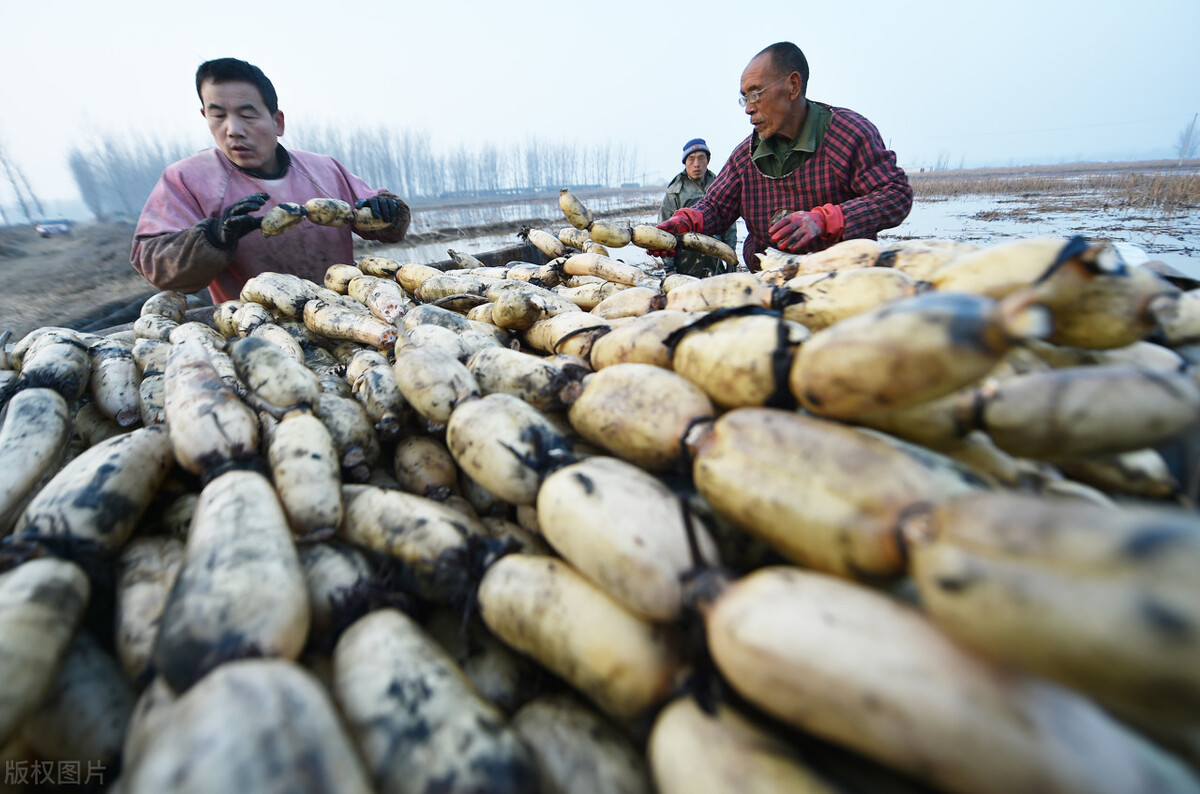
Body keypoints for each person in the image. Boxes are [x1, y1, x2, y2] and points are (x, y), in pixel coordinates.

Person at [131, 58, 410, 303]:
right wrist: (213, 236)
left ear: (278, 122)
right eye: (218, 116)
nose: (233, 130)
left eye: (247, 114)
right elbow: (153, 261)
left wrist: (389, 211)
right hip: (256, 330)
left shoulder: (323, 170)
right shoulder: (188, 179)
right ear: (205, 116)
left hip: (344, 312)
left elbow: (387, 227)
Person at [653, 42, 912, 271]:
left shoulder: (847, 134)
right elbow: (716, 207)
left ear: (793, 85)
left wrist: (825, 220)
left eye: (756, 93)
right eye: (745, 99)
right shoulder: (745, 157)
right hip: (772, 284)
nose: (749, 108)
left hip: (842, 280)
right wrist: (687, 220)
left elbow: (895, 195)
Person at [658, 138, 739, 278]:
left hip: (716, 261)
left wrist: (731, 261)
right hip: (686, 263)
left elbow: (730, 228)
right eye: (691, 159)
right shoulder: (675, 192)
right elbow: (664, 234)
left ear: (708, 160)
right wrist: (670, 269)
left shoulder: (719, 185)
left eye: (701, 158)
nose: (697, 164)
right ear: (685, 162)